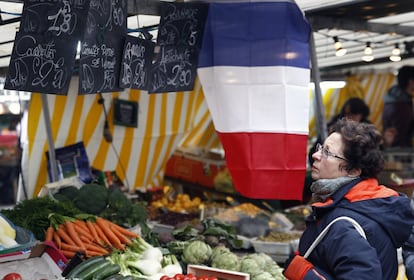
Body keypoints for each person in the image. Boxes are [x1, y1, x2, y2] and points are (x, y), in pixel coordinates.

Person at [283, 119, 414, 280]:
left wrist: (304, 273)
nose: (315, 155)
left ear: (353, 171)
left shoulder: (343, 224)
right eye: (320, 148)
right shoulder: (361, 206)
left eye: (327, 153)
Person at [382, 65, 414, 148]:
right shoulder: (402, 106)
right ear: (410, 81)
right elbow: (400, 137)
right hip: (400, 154)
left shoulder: (392, 99)